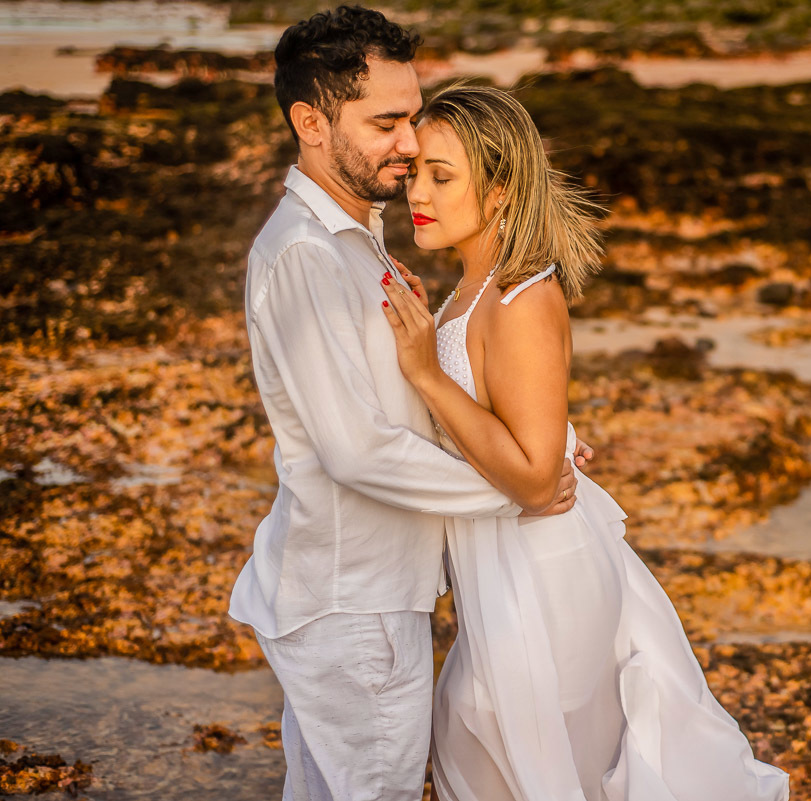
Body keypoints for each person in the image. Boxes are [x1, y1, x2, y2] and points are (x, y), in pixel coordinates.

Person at [379, 84, 790, 801]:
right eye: (416, 172)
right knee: (494, 757)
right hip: (502, 575)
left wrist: (426, 374)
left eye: (442, 177)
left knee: (515, 763)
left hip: (542, 578)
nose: (418, 192)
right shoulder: (473, 288)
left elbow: (538, 482)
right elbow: (508, 419)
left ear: (500, 190)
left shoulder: (521, 297)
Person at [227, 8, 588, 801]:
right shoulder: (305, 256)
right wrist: (522, 485)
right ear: (311, 123)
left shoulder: (358, 239)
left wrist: (531, 432)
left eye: (411, 117)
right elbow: (357, 449)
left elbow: (408, 401)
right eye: (385, 122)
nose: (408, 142)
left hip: (374, 590)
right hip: (353, 599)